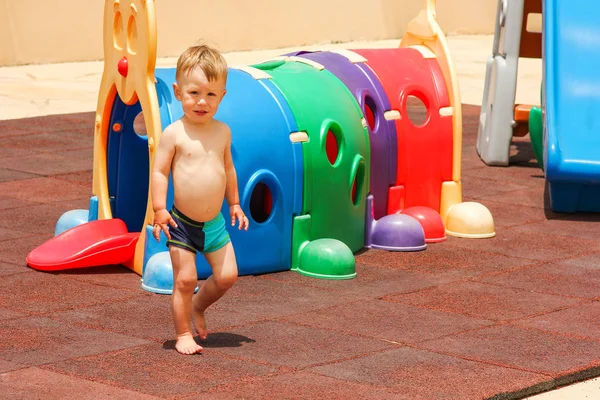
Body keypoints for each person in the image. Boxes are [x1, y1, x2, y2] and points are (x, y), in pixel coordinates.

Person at [151, 44, 249, 355]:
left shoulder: (222, 132)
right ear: (179, 92)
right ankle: (182, 334)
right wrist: (158, 209)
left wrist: (234, 202)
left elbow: (228, 169)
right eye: (194, 93)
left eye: (211, 95)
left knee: (227, 276)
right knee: (185, 278)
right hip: (181, 223)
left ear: (222, 96)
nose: (201, 102)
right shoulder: (174, 133)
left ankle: (197, 305)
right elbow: (159, 173)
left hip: (214, 223)